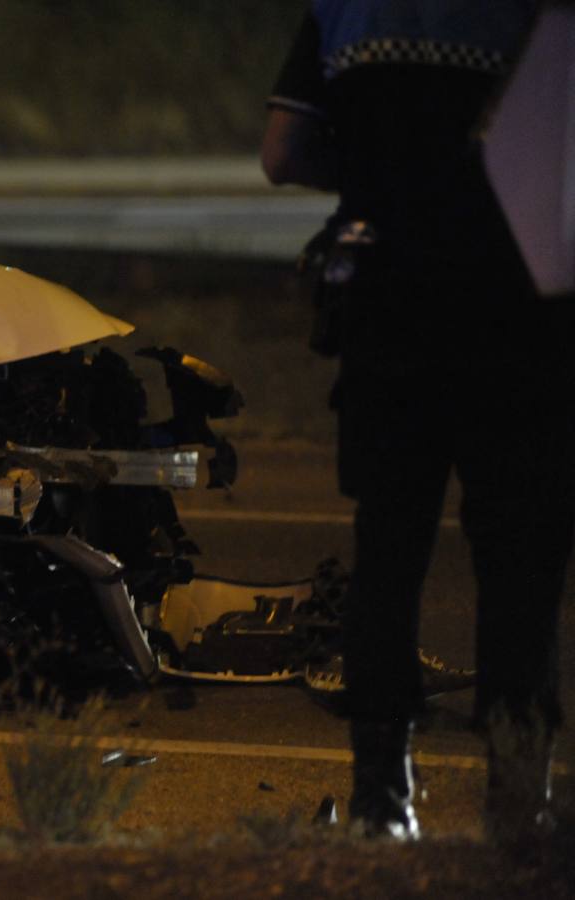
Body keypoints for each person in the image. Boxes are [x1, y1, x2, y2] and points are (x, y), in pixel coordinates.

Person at [262, 0, 573, 842]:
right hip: (519, 318)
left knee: (388, 549)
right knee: (520, 561)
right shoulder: (538, 16)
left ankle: (382, 799)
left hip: (387, 315)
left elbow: (283, 152)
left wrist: (377, 172)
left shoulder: (346, 10)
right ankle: (519, 800)